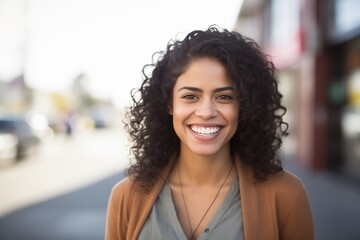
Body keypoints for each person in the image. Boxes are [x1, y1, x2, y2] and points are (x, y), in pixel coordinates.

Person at [105, 25, 314, 240]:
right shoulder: (126, 196)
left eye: (223, 97)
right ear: (169, 105)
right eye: (190, 97)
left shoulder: (286, 194)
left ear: (244, 106)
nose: (206, 112)